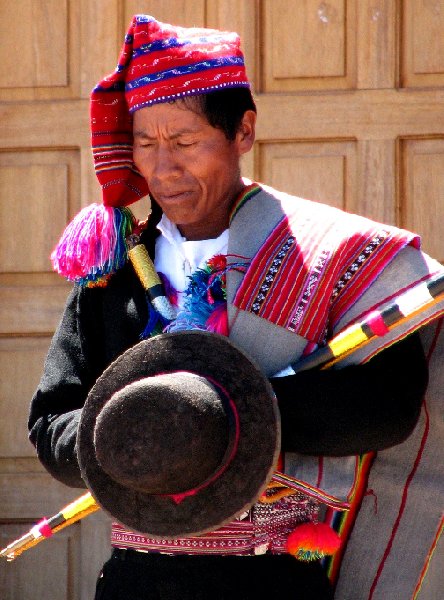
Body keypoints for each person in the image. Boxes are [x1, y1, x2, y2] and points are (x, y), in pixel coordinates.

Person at [28, 14, 444, 600]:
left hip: (277, 578)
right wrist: (141, 432)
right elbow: (52, 423)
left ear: (242, 131)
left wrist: (230, 418)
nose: (163, 169)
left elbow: (389, 405)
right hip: (138, 579)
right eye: (145, 145)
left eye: (185, 142)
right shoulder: (114, 273)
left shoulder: (328, 257)